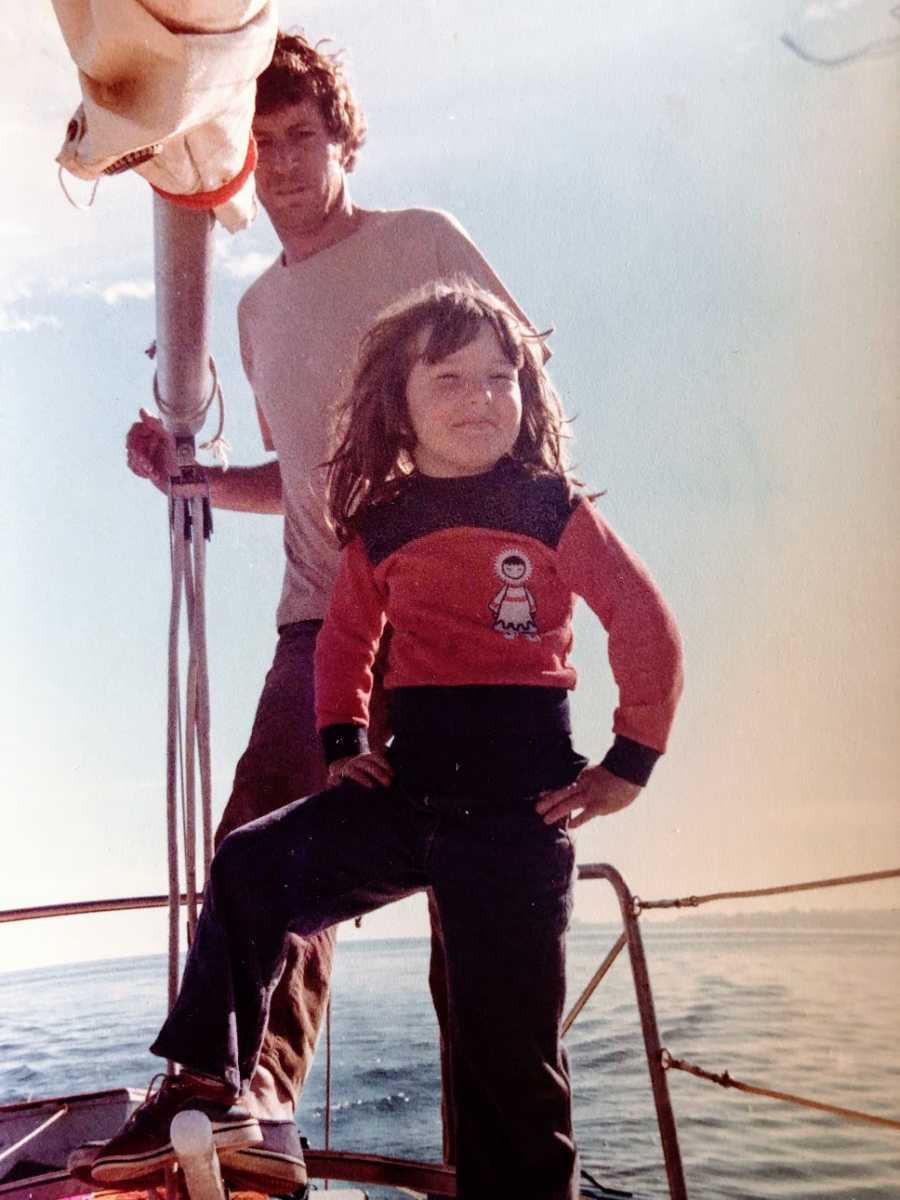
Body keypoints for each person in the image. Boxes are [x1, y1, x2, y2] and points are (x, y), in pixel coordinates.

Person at [88, 281, 684, 1200]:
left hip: (516, 821)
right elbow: (345, 640)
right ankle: (208, 1084)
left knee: (511, 1072)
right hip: (405, 793)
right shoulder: (382, 525)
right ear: (395, 406)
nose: (480, 397)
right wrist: (343, 741)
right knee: (251, 866)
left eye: (499, 377)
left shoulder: (550, 508)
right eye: (448, 379)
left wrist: (626, 765)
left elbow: (645, 625)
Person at [118, 31, 535, 1191]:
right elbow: (292, 476)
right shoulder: (255, 316)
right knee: (267, 838)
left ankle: (502, 1170)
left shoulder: (421, 244)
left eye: (303, 137)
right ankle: (243, 1102)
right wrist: (194, 480)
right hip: (319, 627)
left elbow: (526, 390)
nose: (285, 163)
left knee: (478, 905)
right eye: (262, 145)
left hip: (449, 621)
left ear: (343, 140)